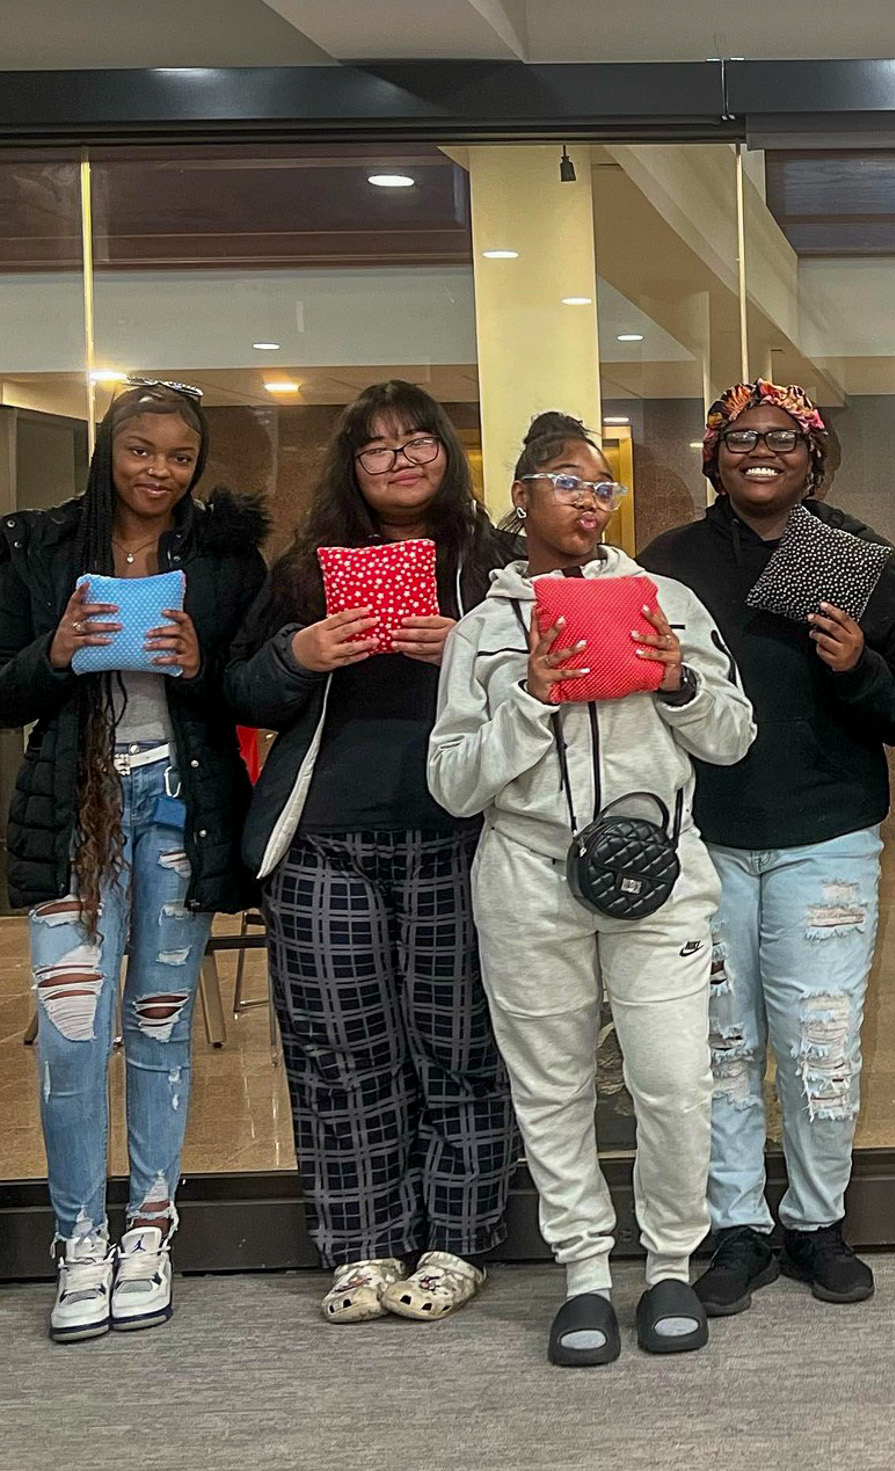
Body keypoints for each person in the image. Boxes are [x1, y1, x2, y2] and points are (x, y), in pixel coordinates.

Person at [428, 411, 754, 1366]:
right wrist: (529, 695)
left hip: (657, 867)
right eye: (563, 481)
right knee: (552, 1084)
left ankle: (667, 1267)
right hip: (529, 875)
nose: (586, 497)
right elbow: (451, 783)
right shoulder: (485, 629)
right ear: (519, 499)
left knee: (675, 1083)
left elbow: (735, 738)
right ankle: (581, 1273)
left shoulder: (668, 598)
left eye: (599, 482)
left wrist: (676, 680)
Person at [226, 380, 521, 1326]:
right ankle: (359, 1244)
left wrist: (472, 651)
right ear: (351, 468)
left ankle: (457, 1240)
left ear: (448, 451)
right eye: (377, 448)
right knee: (336, 1049)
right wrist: (300, 654)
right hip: (324, 844)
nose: (401, 460)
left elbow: (549, 694)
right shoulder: (307, 569)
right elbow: (241, 688)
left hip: (459, 835)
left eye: (418, 441)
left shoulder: (494, 566)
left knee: (464, 1048)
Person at [637, 379, 895, 1315]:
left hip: (827, 835)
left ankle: (816, 1222)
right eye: (741, 436)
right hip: (702, 837)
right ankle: (738, 1229)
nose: (763, 450)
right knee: (719, 1046)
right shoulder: (662, 567)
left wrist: (857, 665)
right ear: (710, 455)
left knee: (819, 1041)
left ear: (815, 454)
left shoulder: (861, 559)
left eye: (784, 437)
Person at [0, 380, 267, 1341]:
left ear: (199, 464)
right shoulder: (34, 544)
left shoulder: (224, 558)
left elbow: (255, 685)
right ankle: (79, 1238)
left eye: (179, 456)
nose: (159, 470)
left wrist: (200, 664)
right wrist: (55, 650)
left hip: (176, 811)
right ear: (107, 449)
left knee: (159, 1028)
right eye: (140, 450)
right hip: (75, 810)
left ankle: (150, 1227)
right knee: (74, 1038)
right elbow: (0, 685)